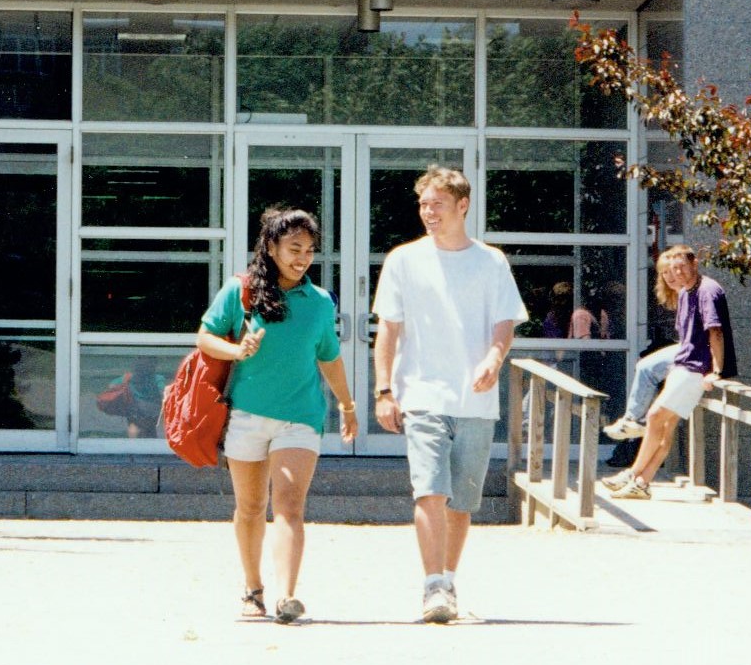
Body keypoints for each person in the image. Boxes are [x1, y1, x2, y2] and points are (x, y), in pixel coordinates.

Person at [372, 167, 528, 624]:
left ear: (463, 205)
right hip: (421, 395)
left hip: (475, 400)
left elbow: (504, 324)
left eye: (437, 204)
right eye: (423, 204)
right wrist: (385, 390)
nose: (428, 212)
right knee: (430, 492)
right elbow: (388, 331)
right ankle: (432, 585)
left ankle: (449, 581)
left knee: (462, 501)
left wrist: (493, 359)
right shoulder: (403, 259)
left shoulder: (491, 262)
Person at [196, 207, 358, 624]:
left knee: (289, 506)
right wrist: (236, 350)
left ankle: (287, 596)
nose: (302, 257)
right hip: (247, 417)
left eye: (309, 250)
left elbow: (330, 359)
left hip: (300, 419)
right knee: (250, 507)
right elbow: (205, 336)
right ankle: (253, 589)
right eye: (294, 248)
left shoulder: (320, 302)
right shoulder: (241, 291)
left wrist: (347, 404)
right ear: (271, 247)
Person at [605, 244, 738, 499]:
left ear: (694, 264)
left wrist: (717, 371)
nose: (676, 273)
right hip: (683, 362)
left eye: (681, 267)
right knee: (664, 426)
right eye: (672, 269)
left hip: (697, 367)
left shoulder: (707, 290)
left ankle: (633, 473)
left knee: (655, 416)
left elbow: (716, 332)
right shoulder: (687, 291)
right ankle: (642, 482)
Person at [603, 253, 679, 443]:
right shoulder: (679, 296)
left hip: (696, 352)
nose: (670, 277)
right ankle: (637, 468)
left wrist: (717, 367)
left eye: (674, 272)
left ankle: (633, 418)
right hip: (685, 350)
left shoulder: (698, 292)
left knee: (646, 369)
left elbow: (713, 333)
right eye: (665, 273)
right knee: (656, 418)